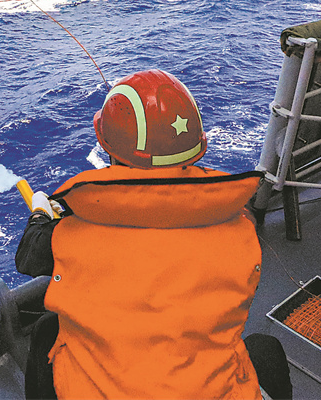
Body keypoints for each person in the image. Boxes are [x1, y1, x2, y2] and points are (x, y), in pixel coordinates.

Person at [15, 69, 293, 399]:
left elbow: (29, 256)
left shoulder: (71, 233)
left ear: (110, 150)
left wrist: (41, 214)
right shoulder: (240, 229)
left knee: (47, 329)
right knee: (266, 349)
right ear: (195, 146)